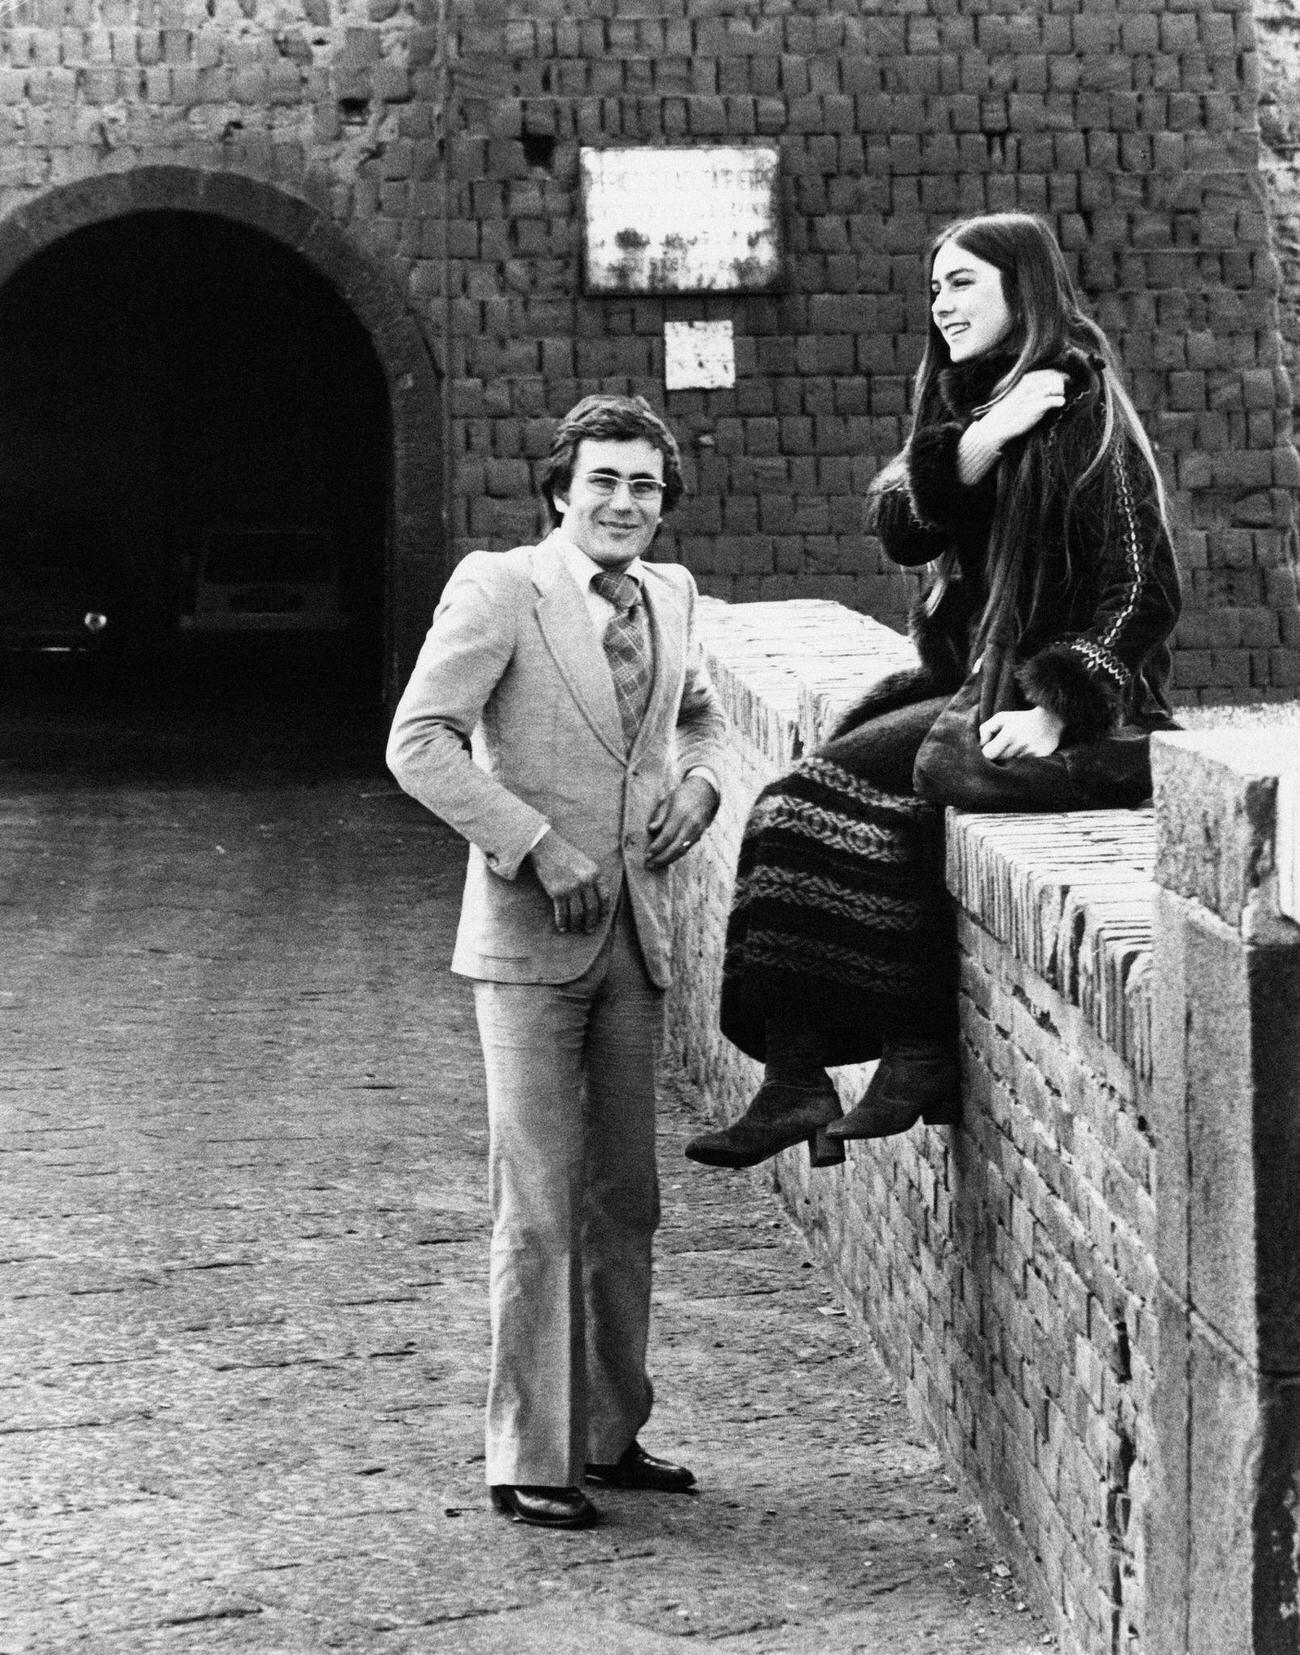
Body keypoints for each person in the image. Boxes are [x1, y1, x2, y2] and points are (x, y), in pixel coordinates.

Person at [685, 211, 1181, 1170]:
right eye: (935, 288)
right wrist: (985, 437)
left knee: (809, 798)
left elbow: (1144, 587)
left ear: (1021, 289)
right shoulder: (983, 402)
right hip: (968, 684)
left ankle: (890, 1056)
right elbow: (901, 522)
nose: (942, 304)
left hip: (1062, 705)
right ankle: (834, 1069)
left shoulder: (1083, 406)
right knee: (831, 800)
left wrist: (1059, 705)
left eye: (962, 284)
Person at [387, 394, 727, 1529]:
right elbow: (418, 740)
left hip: (635, 933)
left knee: (624, 1196)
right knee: (536, 1200)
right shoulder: (502, 585)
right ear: (560, 490)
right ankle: (529, 1455)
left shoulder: (671, 593)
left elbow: (698, 717)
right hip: (529, 940)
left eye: (645, 486)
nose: (625, 503)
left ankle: (609, 1432)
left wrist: (700, 784)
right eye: (605, 482)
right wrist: (534, 844)